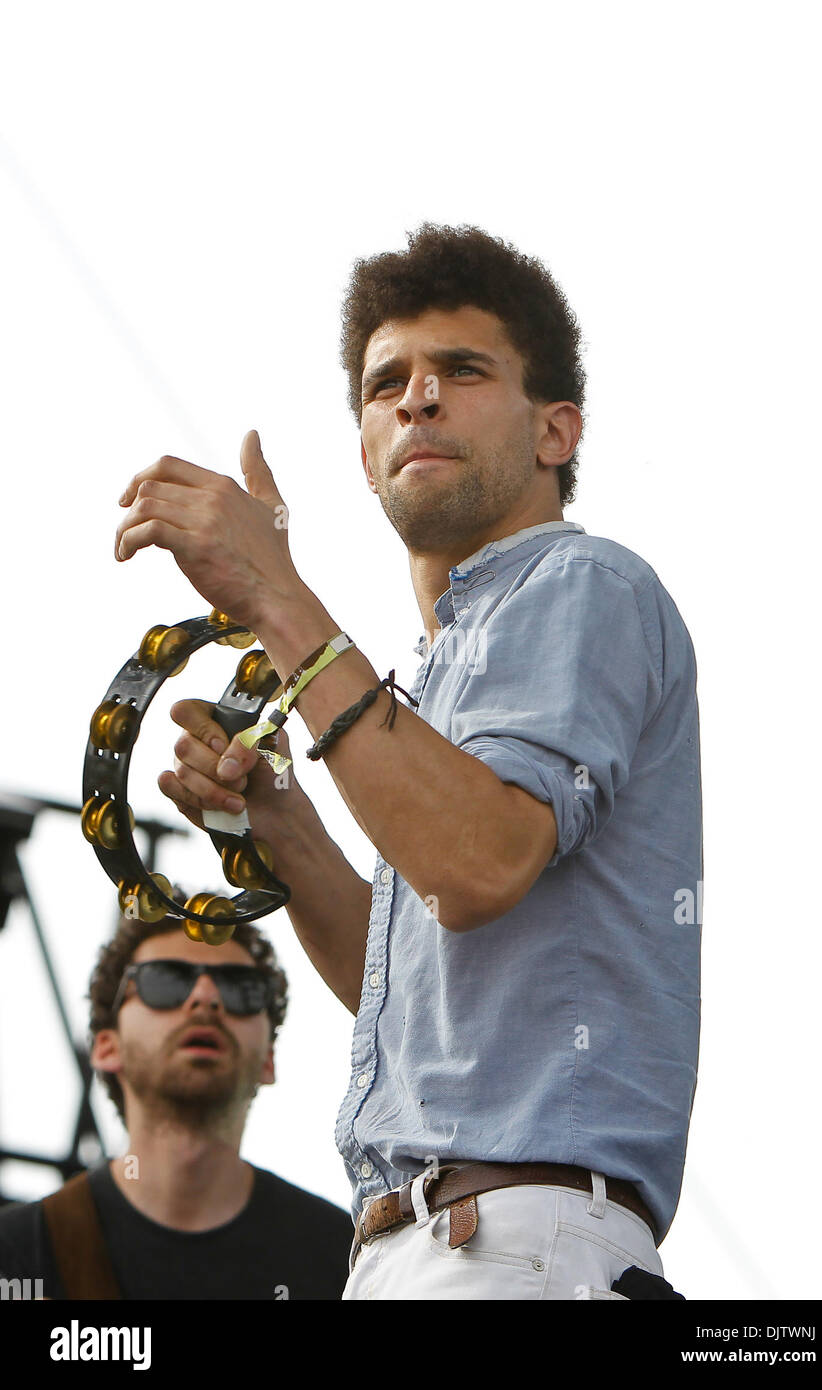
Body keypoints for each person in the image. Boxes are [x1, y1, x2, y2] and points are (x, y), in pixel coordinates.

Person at [112, 223, 702, 1300]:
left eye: (461, 371)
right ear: (365, 449)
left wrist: (277, 597)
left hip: (511, 1244)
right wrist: (277, 823)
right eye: (388, 382)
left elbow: (473, 866)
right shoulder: (426, 686)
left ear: (554, 431)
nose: (416, 398)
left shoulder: (580, 585)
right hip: (417, 1248)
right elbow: (401, 985)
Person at [0, 907, 353, 1299]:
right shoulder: (17, 1255)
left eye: (241, 990)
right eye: (165, 981)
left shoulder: (351, 1260)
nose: (206, 998)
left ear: (268, 1060)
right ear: (106, 1047)